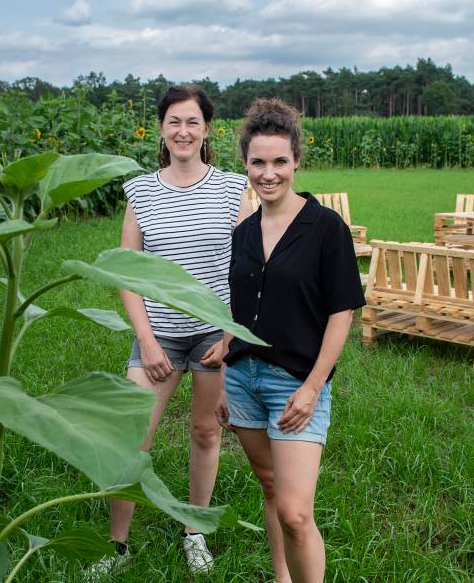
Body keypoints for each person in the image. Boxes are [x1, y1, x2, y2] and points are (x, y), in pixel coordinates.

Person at [89, 84, 251, 579]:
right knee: (131, 438)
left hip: (212, 337)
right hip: (157, 333)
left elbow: (249, 269)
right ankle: (117, 546)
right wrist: (147, 340)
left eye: (192, 122)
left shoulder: (231, 188)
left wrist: (229, 338)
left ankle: (193, 531)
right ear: (161, 129)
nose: (183, 131)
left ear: (206, 131)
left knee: (206, 432)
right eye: (174, 122)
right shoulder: (140, 191)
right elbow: (126, 272)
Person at [216, 98, 365, 583]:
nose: (269, 173)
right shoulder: (242, 233)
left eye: (280, 161)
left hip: (295, 383)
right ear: (245, 164)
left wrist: (313, 387)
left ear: (297, 160)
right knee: (271, 489)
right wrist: (222, 380)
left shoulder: (326, 229)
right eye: (258, 162)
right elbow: (234, 313)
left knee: (297, 514)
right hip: (242, 379)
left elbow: (341, 314)